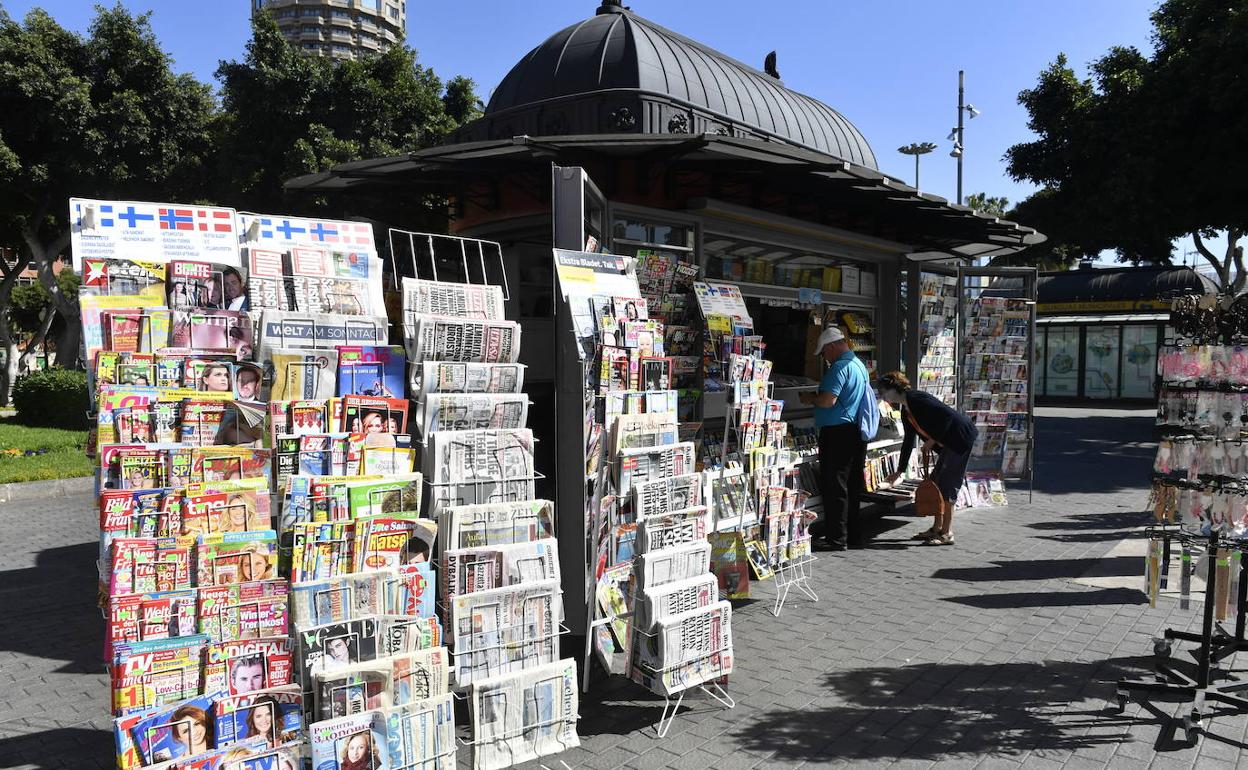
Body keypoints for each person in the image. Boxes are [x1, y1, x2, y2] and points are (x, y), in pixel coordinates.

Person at [879, 370, 978, 546]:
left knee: (948, 485)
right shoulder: (906, 411)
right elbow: (908, 441)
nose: (883, 396)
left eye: (884, 391)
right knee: (937, 482)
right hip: (949, 442)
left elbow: (947, 417)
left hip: (960, 438)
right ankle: (936, 528)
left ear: (894, 389)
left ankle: (947, 533)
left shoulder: (916, 398)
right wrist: (899, 471)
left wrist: (931, 441)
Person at [799, 326, 869, 550]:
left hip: (838, 433)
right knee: (851, 485)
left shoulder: (839, 368)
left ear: (832, 346)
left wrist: (810, 398)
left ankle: (836, 538)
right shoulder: (859, 365)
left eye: (824, 352)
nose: (824, 358)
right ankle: (853, 535)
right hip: (855, 432)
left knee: (835, 486)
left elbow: (828, 400)